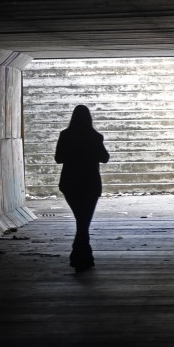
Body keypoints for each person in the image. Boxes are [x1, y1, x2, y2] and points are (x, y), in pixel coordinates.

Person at [54, 104, 110, 272]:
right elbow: (105, 158)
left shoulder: (65, 135)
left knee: (81, 220)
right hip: (90, 184)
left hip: (70, 184)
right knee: (84, 221)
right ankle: (82, 258)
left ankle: (80, 258)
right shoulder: (95, 136)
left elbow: (58, 159)